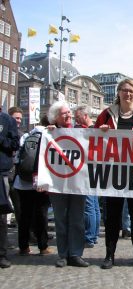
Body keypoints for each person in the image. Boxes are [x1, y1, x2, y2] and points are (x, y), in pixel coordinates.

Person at [95, 78, 133, 269]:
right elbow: (92, 138)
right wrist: (101, 131)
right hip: (113, 173)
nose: (128, 94)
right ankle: (109, 255)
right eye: (124, 90)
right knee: (112, 215)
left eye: (131, 91)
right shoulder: (106, 115)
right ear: (118, 93)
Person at [46, 101, 89, 268]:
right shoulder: (49, 133)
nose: (69, 115)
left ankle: (76, 254)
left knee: (77, 219)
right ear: (55, 117)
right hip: (58, 184)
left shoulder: (81, 131)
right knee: (61, 219)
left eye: (69, 113)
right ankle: (63, 254)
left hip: (78, 182)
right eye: (64, 113)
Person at [14, 115, 53, 256]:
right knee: (41, 214)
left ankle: (23, 247)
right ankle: (43, 247)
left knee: (24, 216)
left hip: (22, 182)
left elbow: (17, 156)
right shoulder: (49, 135)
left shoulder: (26, 135)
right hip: (40, 181)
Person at [74, 106, 101, 248]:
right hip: (93, 169)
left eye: (77, 117)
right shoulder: (95, 129)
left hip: (87, 170)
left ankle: (89, 237)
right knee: (94, 205)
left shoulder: (89, 131)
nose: (75, 120)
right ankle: (94, 235)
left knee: (89, 205)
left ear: (85, 116)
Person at [0, 108, 19, 268]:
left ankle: (2, 254)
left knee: (1, 216)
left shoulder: (7, 120)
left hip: (1, 172)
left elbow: (14, 144)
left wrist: (1, 140)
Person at [7, 107, 24, 227]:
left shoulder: (22, 134)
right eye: (16, 118)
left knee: (19, 207)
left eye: (20, 119)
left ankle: (26, 236)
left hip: (16, 175)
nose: (18, 121)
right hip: (5, 173)